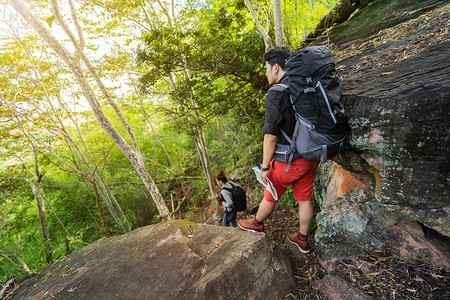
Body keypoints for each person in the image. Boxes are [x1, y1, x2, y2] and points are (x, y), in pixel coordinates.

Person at [238, 45, 320, 254]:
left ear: (276, 68)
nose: (265, 73)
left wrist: (265, 167)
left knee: (270, 192)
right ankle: (302, 238)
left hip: (288, 161)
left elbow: (271, 136)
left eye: (266, 68)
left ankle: (256, 223)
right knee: (304, 198)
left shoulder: (276, 93)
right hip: (311, 155)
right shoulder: (304, 84)